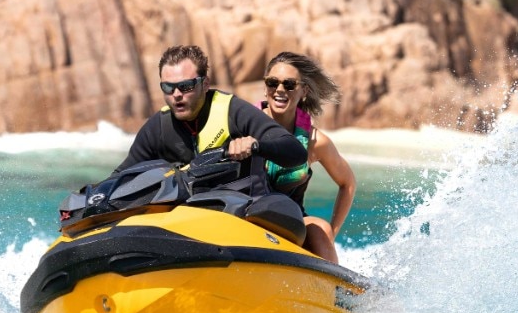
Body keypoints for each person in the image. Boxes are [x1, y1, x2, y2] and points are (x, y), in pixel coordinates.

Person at [115, 45, 307, 173]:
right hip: (183, 219)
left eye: (186, 86)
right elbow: (121, 176)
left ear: (205, 84)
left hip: (237, 214)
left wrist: (256, 145)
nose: (176, 94)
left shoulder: (232, 111)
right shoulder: (158, 127)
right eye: (168, 87)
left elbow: (296, 152)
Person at [257, 52, 356, 264]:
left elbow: (347, 183)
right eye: (273, 83)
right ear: (265, 88)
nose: (280, 90)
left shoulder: (314, 142)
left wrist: (333, 233)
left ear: (304, 91)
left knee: (321, 229)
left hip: (291, 222)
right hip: (246, 214)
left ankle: (332, 291)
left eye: (289, 84)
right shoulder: (244, 126)